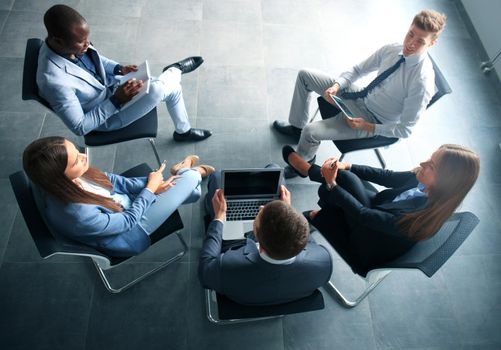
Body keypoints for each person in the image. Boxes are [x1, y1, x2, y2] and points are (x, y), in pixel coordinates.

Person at [274, 9, 447, 177]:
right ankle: (297, 127)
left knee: (310, 132)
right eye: (410, 34)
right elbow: (358, 70)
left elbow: (405, 130)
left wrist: (367, 127)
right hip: (362, 96)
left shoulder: (422, 82)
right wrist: (337, 85)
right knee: (305, 75)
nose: (410, 44)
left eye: (420, 41)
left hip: (373, 120)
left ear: (432, 43)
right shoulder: (393, 49)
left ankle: (303, 163)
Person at [282, 144, 480, 269]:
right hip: (380, 212)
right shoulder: (424, 181)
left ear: (446, 182)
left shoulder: (418, 220)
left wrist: (332, 185)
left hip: (368, 244)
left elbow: (364, 216)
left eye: (431, 165)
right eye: (429, 157)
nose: (422, 162)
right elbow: (389, 177)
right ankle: (310, 173)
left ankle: (314, 194)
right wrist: (346, 166)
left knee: (330, 193)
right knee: (344, 177)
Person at [38, 4, 211, 141]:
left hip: (114, 87)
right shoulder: (54, 82)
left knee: (172, 89)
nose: (87, 44)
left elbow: (95, 58)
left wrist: (118, 68)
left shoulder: (70, 44)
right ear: (58, 41)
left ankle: (183, 130)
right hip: (108, 116)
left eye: (87, 39)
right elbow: (80, 127)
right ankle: (174, 71)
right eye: (82, 42)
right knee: (159, 89)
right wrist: (116, 100)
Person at [23, 136, 215, 257]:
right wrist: (149, 190)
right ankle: (186, 171)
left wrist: (151, 185)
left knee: (191, 192)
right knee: (191, 179)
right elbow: (127, 222)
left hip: (126, 204)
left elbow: (115, 181)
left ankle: (184, 174)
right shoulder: (77, 215)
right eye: (75, 161)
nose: (83, 156)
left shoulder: (69, 178)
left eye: (76, 150)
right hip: (132, 231)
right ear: (60, 177)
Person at [198, 167, 333, 305]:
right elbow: (304, 240)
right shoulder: (324, 260)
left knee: (216, 176)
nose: (261, 208)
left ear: (255, 237)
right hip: (290, 296)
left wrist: (219, 217)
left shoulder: (226, 267)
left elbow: (204, 272)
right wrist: (287, 212)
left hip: (244, 300)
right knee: (275, 168)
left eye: (258, 217)